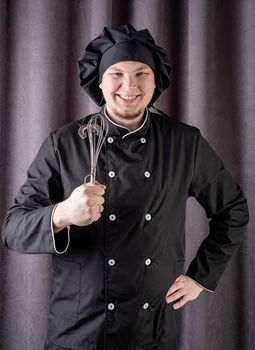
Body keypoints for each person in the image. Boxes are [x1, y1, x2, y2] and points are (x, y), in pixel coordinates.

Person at [2, 24, 249, 350]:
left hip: (151, 331)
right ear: (100, 81)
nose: (129, 85)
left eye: (142, 73)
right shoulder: (64, 143)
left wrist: (201, 277)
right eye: (116, 73)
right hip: (79, 330)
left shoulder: (184, 143)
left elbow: (232, 209)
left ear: (155, 79)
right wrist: (62, 213)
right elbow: (13, 229)